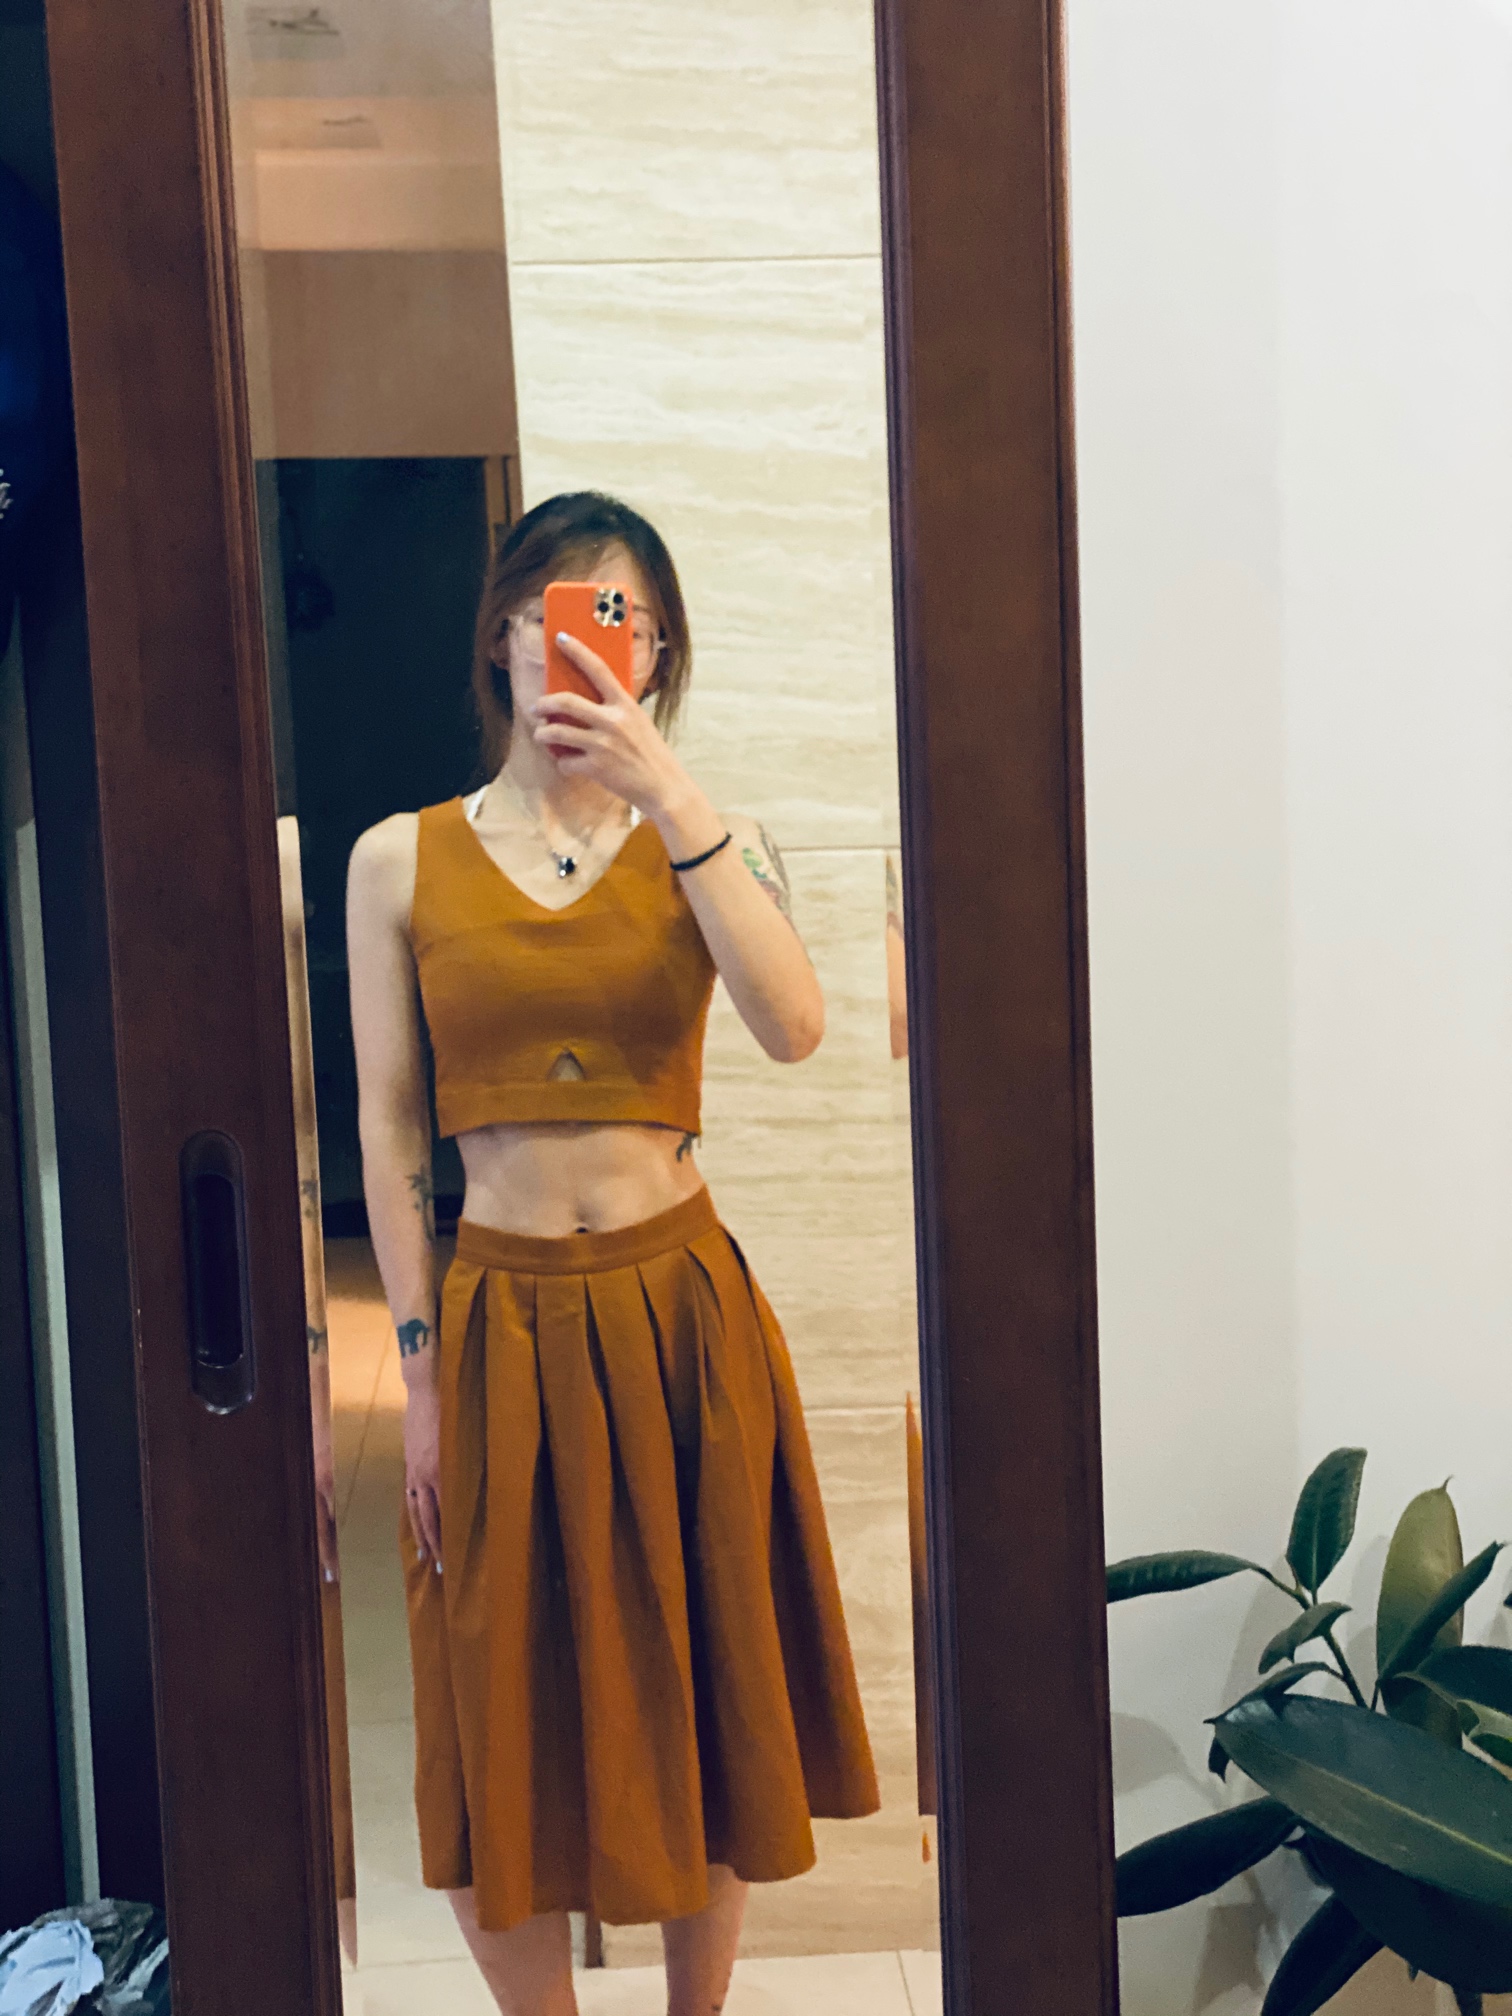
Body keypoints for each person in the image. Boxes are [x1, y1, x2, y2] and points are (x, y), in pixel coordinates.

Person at [346, 491, 879, 2016]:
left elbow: (794, 1026)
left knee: (704, 1696)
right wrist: (421, 1379)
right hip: (500, 1321)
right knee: (492, 1707)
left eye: (617, 617)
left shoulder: (718, 841)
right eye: (551, 612)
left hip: (679, 1316)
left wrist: (670, 794)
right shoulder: (398, 861)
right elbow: (391, 1127)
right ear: (501, 639)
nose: (578, 643)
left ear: (656, 652)